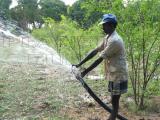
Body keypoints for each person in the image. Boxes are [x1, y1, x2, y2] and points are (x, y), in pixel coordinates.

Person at [73, 14, 128, 120]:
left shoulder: (115, 41)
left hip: (118, 75)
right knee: (113, 100)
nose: (103, 27)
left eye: (105, 25)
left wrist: (85, 72)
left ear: (111, 25)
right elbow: (95, 51)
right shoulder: (108, 37)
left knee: (115, 101)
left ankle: (111, 118)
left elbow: (99, 59)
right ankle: (113, 116)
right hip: (113, 73)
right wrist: (79, 64)